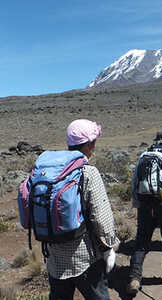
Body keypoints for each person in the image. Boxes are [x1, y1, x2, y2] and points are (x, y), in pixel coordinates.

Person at [47, 119, 119, 300]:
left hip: (54, 258)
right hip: (85, 258)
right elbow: (102, 218)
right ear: (88, 144)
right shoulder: (87, 172)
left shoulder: (51, 170)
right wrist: (109, 248)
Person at [127, 131, 162, 295]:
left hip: (145, 206)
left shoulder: (144, 155)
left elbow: (134, 182)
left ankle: (135, 277)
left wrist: (137, 204)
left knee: (141, 242)